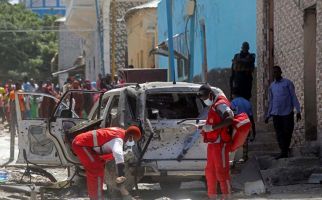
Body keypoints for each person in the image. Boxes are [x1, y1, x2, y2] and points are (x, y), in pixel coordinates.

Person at [71, 126, 142, 200]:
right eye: (134, 140)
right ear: (130, 137)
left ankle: (96, 197)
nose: (133, 142)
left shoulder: (120, 132)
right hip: (81, 145)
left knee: (100, 167)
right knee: (96, 170)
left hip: (84, 143)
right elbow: (118, 154)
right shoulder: (118, 140)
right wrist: (121, 175)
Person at [197, 84, 234, 200]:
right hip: (213, 144)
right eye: (202, 99)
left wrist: (211, 128)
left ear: (211, 95)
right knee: (210, 173)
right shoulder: (213, 105)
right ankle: (211, 197)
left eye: (204, 97)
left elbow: (229, 119)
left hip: (220, 144)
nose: (204, 100)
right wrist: (202, 127)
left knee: (222, 172)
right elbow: (214, 122)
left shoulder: (220, 104)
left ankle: (226, 197)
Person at [265, 66, 301, 159]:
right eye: (274, 72)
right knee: (279, 133)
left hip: (287, 112)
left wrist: (298, 111)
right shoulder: (272, 86)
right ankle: (283, 152)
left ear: (281, 72)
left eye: (277, 72)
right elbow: (271, 101)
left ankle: (285, 150)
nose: (275, 74)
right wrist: (268, 115)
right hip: (276, 113)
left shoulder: (287, 83)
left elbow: (293, 97)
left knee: (287, 132)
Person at [231, 88, 256, 161]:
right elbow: (251, 117)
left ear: (234, 95)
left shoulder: (233, 102)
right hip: (246, 124)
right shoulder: (247, 102)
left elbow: (231, 115)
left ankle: (236, 157)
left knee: (236, 141)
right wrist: (254, 130)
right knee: (245, 141)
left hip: (237, 124)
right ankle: (244, 156)